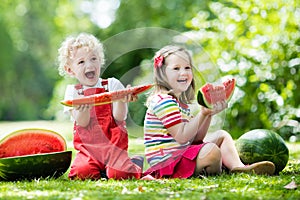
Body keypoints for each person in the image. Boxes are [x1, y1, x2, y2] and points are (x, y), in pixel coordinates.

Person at [143, 45, 275, 179]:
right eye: (176, 68)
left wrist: (208, 113)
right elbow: (182, 137)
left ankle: (238, 167)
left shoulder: (180, 104)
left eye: (187, 68)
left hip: (182, 154)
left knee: (221, 135)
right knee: (212, 151)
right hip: (170, 163)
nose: (183, 73)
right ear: (162, 74)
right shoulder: (163, 101)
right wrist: (202, 114)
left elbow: (196, 138)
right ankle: (219, 167)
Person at [57, 33, 142, 180]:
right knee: (81, 174)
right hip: (88, 152)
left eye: (93, 59)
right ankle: (100, 169)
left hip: (115, 148)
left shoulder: (112, 84)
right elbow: (82, 123)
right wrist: (83, 107)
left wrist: (121, 99)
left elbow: (119, 117)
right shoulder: (73, 92)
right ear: (70, 70)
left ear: (100, 61)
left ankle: (135, 163)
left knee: (120, 175)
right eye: (81, 62)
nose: (89, 65)